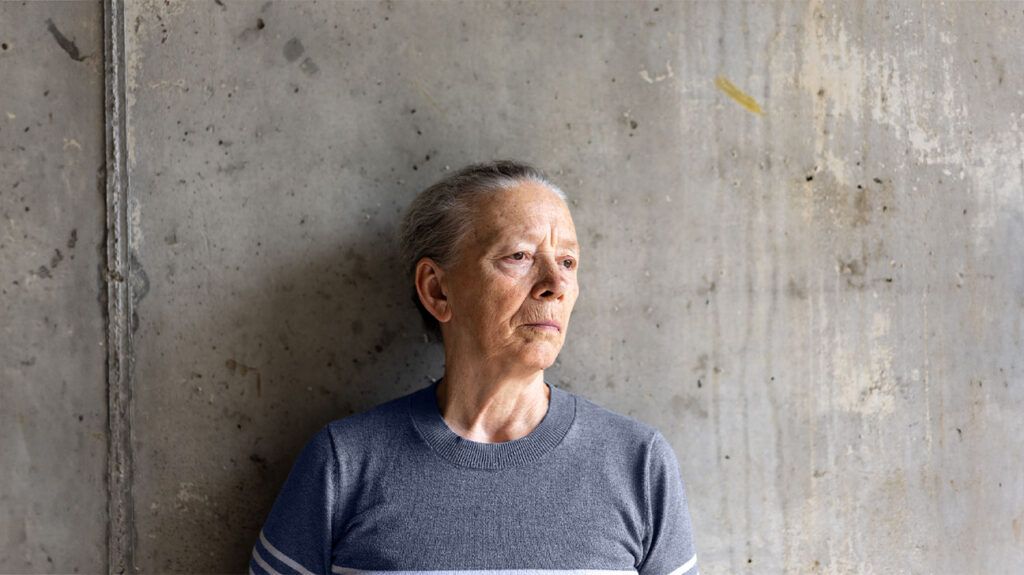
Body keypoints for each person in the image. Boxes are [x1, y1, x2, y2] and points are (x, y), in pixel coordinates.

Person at [248, 160, 699, 575]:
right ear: (437, 291)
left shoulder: (638, 463)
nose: (556, 285)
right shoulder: (344, 463)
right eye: (519, 256)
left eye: (567, 261)